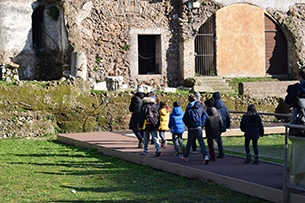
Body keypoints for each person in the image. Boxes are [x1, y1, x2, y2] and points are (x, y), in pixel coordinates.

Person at [179, 93, 209, 165]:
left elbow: (184, 119)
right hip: (199, 127)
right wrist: (202, 123)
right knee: (201, 142)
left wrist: (188, 125)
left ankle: (186, 156)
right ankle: (205, 156)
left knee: (189, 142)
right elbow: (206, 116)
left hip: (191, 128)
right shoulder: (200, 107)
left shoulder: (189, 108)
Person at [212, 92, 231, 158]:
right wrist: (228, 124)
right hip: (223, 124)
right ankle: (219, 152)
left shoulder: (213, 106)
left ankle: (216, 152)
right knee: (218, 138)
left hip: (216, 124)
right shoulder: (224, 106)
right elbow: (228, 115)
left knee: (215, 138)